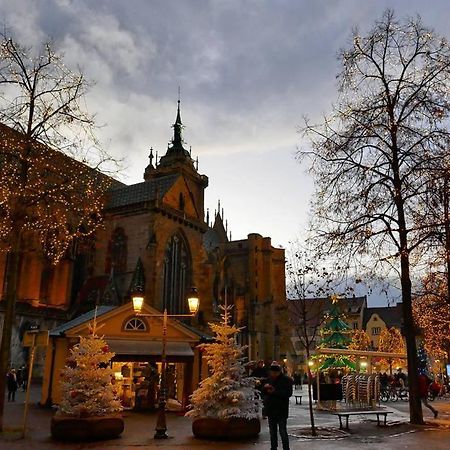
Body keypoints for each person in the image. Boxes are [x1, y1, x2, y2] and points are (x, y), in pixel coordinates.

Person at [262, 361, 293, 450]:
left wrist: (274, 392)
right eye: (272, 372)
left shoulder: (286, 380)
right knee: (272, 432)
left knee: (282, 431)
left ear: (279, 372)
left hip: (281, 409)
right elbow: (263, 392)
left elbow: (288, 393)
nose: (273, 374)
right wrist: (265, 389)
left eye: (275, 372)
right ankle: (273, 447)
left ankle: (286, 448)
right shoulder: (269, 379)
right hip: (271, 409)